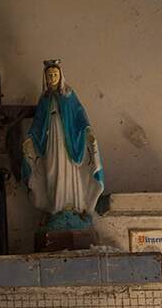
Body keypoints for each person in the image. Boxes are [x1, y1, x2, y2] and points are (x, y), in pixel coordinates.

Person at [22, 59, 104, 224]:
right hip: (51, 139)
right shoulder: (44, 99)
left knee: (69, 168)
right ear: (45, 78)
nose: (52, 78)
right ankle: (55, 207)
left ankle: (74, 206)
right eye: (49, 75)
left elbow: (79, 114)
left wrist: (87, 130)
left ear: (60, 76)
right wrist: (30, 137)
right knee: (52, 169)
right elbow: (38, 122)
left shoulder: (68, 95)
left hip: (68, 139)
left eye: (55, 74)